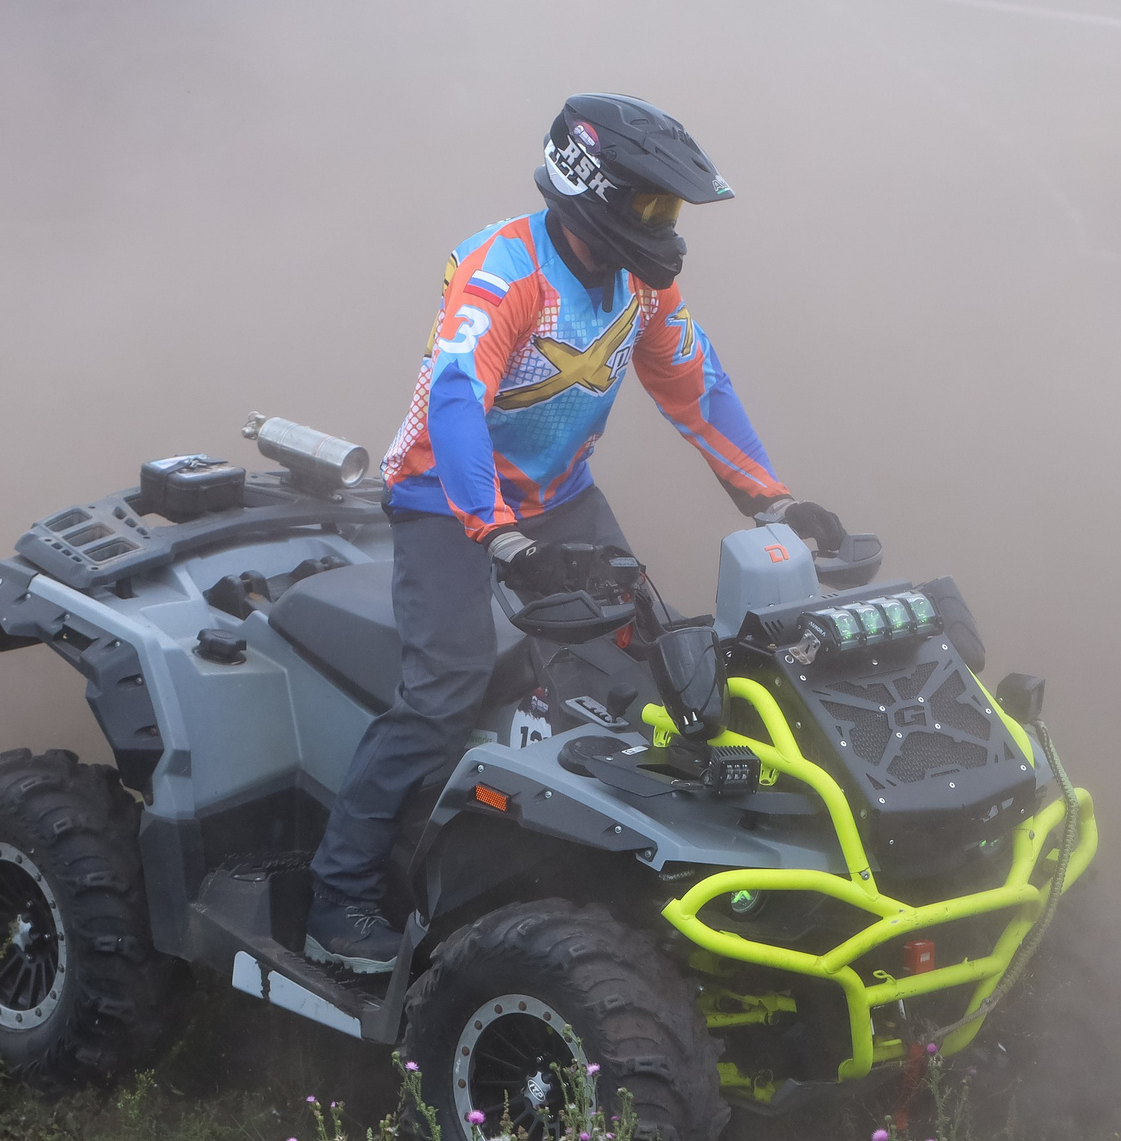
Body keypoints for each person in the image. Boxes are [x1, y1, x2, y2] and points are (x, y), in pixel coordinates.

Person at [306, 93, 845, 973]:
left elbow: (693, 383)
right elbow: (454, 403)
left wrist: (771, 503)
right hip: (446, 498)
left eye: (669, 208)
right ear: (587, 188)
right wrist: (497, 534)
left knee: (651, 666)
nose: (666, 227)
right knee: (446, 687)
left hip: (562, 497)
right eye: (650, 206)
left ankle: (648, 874)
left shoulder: (644, 283)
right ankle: (338, 896)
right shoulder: (501, 272)